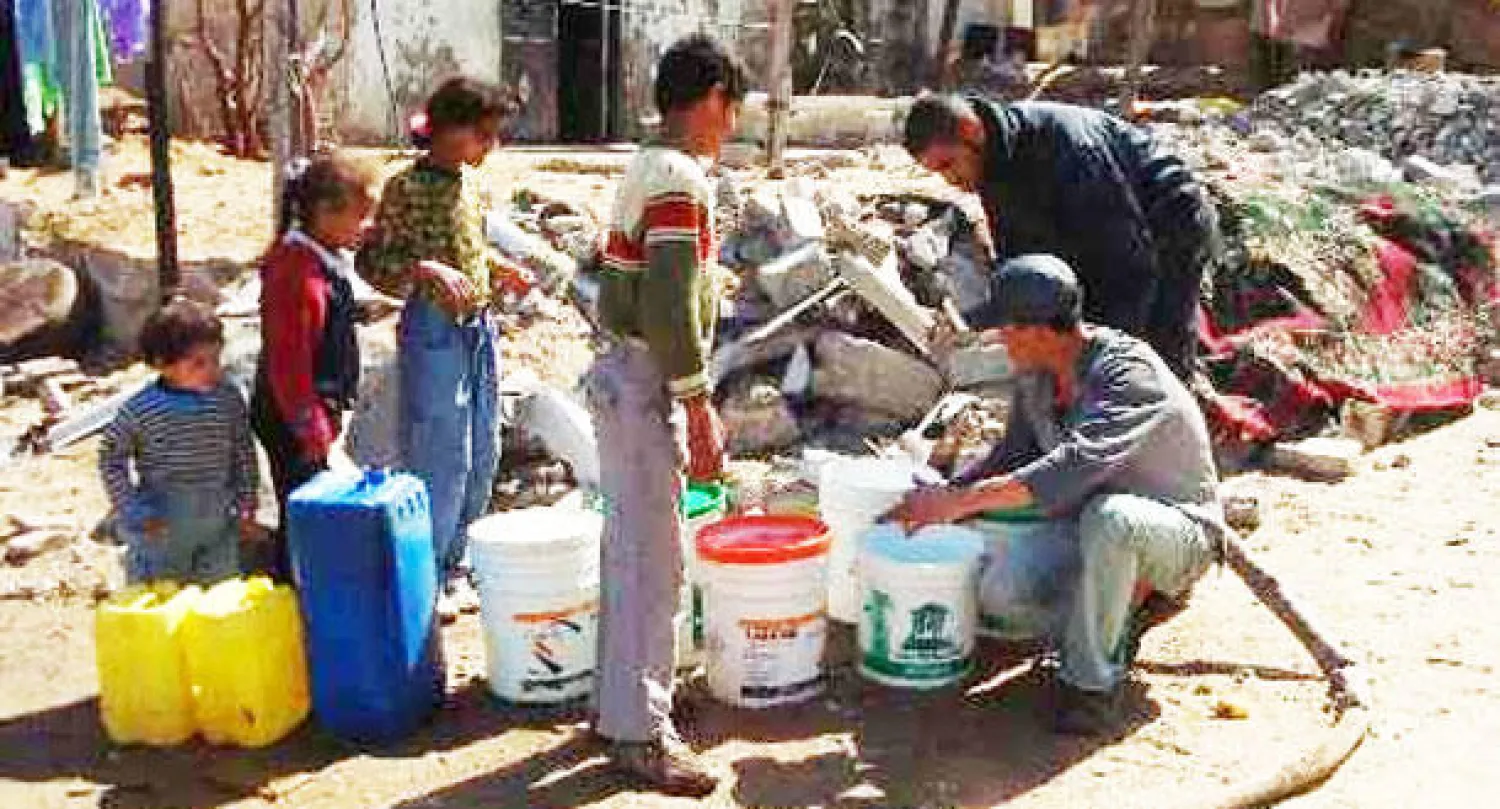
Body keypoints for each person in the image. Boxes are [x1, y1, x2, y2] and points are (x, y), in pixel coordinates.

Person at [889, 254, 1225, 735]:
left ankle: (1091, 687)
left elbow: (1070, 469)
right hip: (1085, 525)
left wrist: (958, 504)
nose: (999, 341)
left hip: (1175, 535)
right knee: (1005, 596)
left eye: (1005, 330)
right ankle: (1117, 613)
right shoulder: (1038, 375)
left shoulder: (1128, 373)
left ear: (1040, 331)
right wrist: (943, 496)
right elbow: (1012, 457)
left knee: (1115, 519)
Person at [585, 35, 744, 797]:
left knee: (629, 552)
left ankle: (619, 707)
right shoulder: (681, 176)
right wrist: (700, 406)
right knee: (655, 563)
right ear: (712, 96)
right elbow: (669, 307)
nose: (731, 125)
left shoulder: (647, 165)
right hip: (648, 376)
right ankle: (643, 734)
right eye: (731, 108)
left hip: (621, 371)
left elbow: (650, 278)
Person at [357, 77, 530, 615]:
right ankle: (425, 574)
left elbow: (470, 243)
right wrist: (423, 270)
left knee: (482, 447)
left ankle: (459, 560)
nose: (488, 147)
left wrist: (500, 269)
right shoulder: (404, 189)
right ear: (448, 130)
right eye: (481, 135)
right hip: (432, 329)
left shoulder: (471, 186)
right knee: (441, 452)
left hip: (478, 328)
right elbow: (372, 266)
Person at [902, 92, 1221, 379]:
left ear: (972, 132)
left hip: (1168, 217)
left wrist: (1105, 357)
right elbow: (1021, 259)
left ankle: (1175, 410)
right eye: (938, 172)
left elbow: (1128, 264)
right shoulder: (993, 162)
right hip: (1094, 228)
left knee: (1156, 344)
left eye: (949, 164)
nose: (950, 180)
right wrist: (992, 320)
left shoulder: (1068, 149)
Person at [251, 151, 380, 582]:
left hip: (311, 410)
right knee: (305, 516)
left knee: (311, 510)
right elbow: (289, 365)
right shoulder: (295, 272)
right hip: (294, 417)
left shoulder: (319, 260)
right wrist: (314, 434)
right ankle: (298, 599)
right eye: (360, 216)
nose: (368, 228)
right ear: (325, 212)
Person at [100, 299, 259, 585]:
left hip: (219, 518)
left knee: (218, 595)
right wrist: (135, 511)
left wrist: (247, 502)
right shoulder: (141, 409)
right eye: (198, 363)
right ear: (162, 364)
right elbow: (111, 458)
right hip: (162, 522)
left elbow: (243, 451)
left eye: (215, 359)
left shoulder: (227, 399)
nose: (211, 369)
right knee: (163, 595)